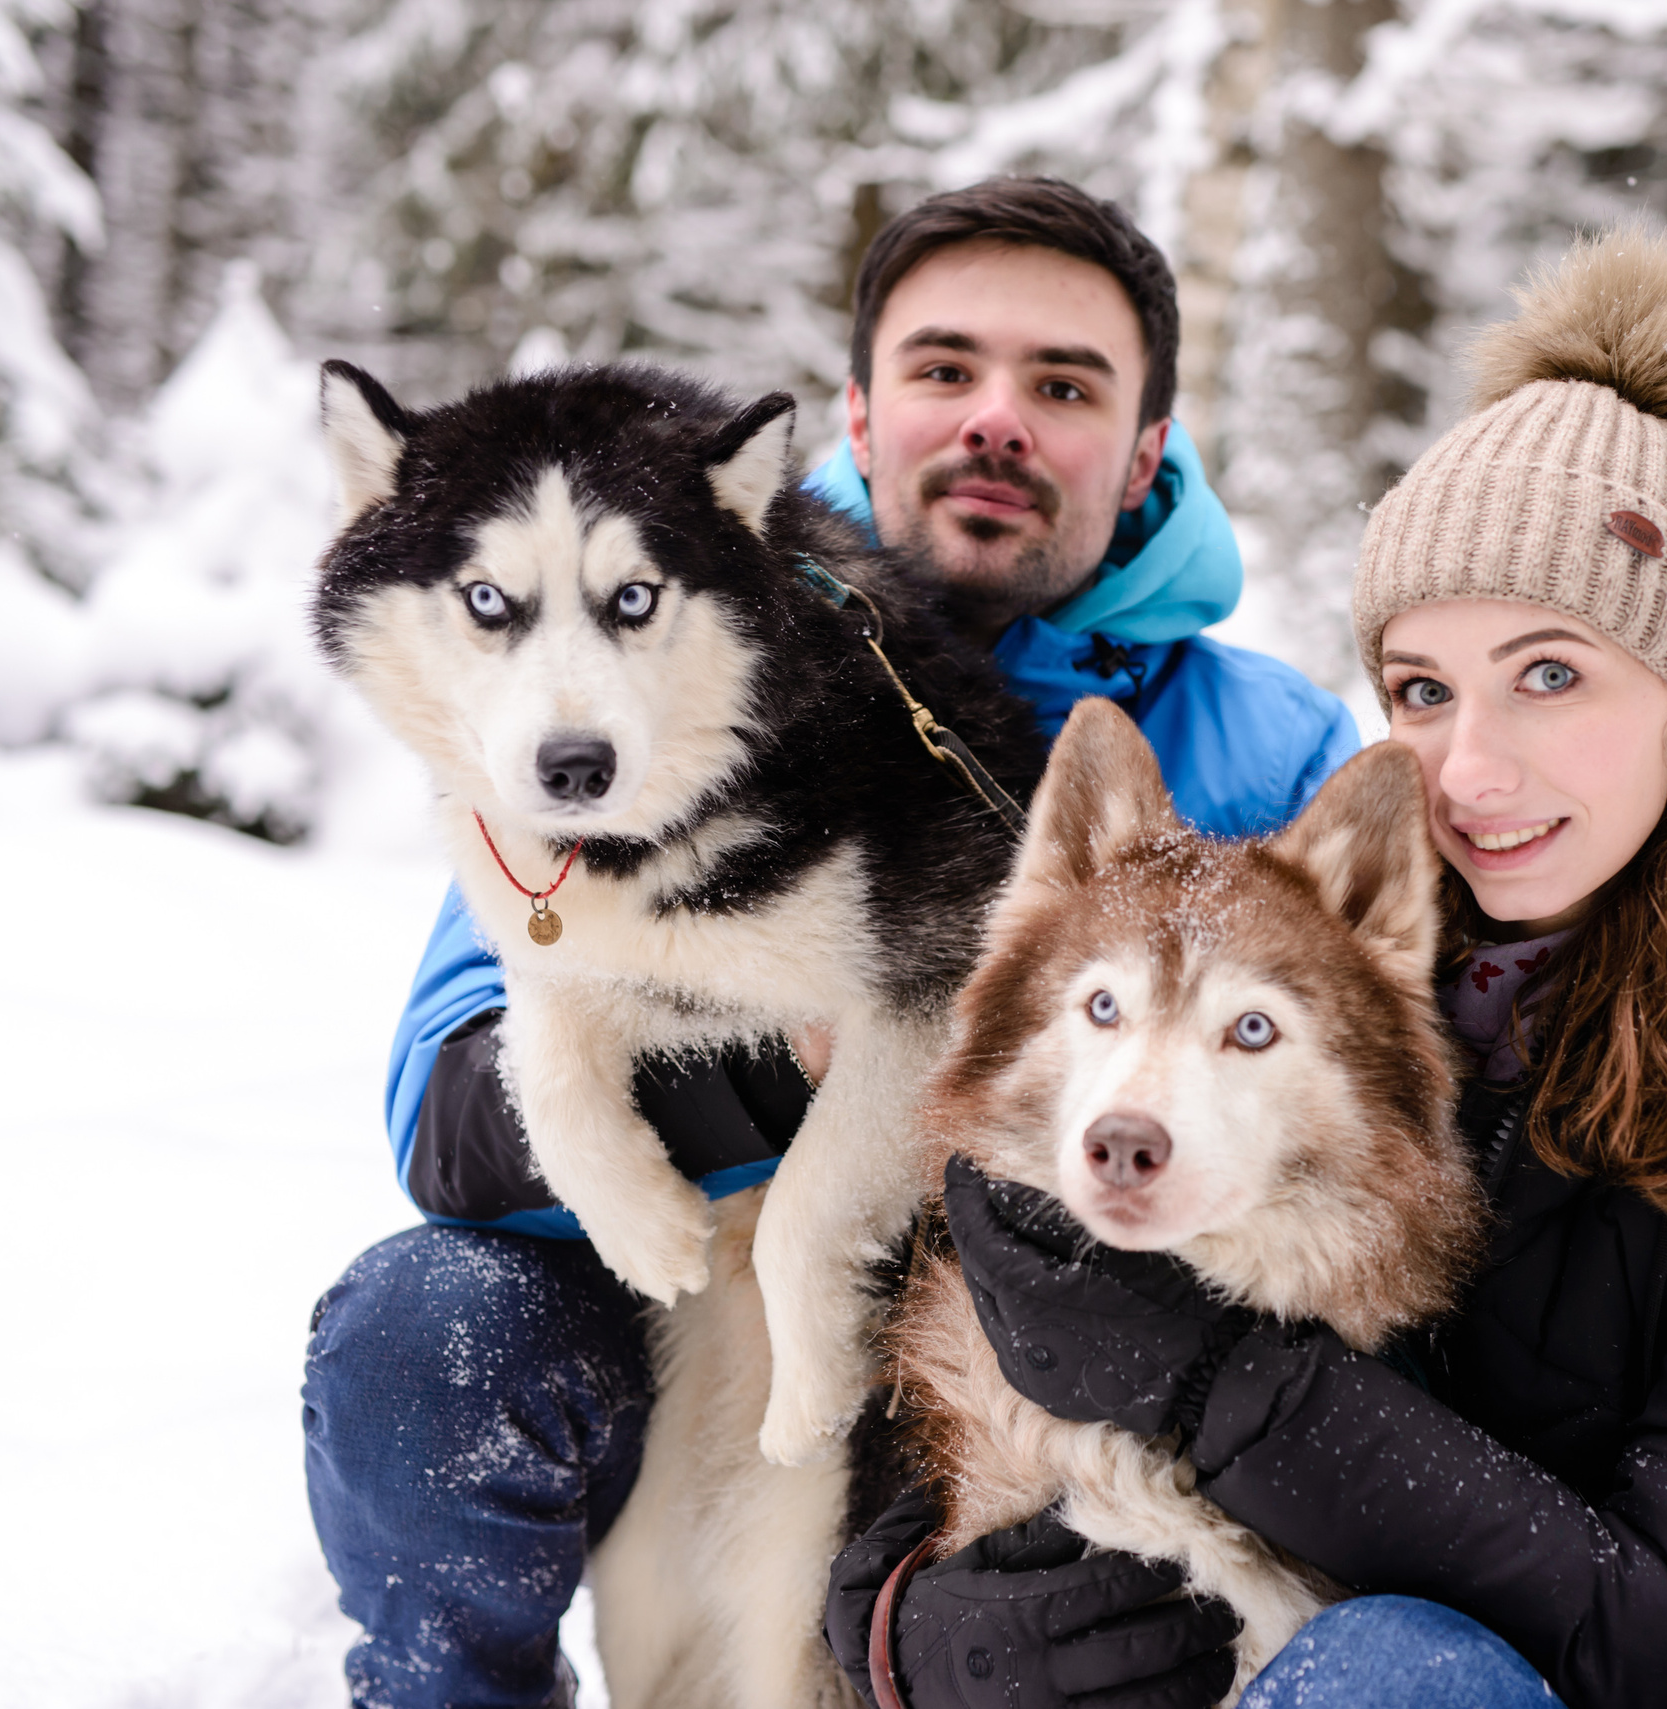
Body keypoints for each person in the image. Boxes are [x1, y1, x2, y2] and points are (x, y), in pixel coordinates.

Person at [831, 225, 1667, 1709]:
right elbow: (947, 1400)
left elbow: (1661, 1637)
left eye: (1551, 674)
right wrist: (923, 1630)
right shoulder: (1339, 980)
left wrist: (1204, 1374)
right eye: (1423, 689)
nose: (1472, 767)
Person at [301, 177, 1361, 1709]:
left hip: (1061, 1341)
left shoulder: (1266, 749)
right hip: (710, 1305)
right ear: (858, 417)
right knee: (424, 1329)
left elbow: (1361, 1123)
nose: (995, 418)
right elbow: (453, 1109)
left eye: (1061, 386)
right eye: (946, 369)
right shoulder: (646, 664)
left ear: (1145, 453)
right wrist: (779, 1086)